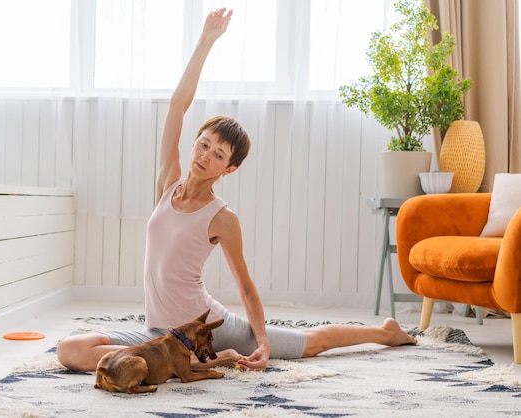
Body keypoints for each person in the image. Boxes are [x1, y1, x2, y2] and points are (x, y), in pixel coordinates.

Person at [57, 8, 417, 373]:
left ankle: (385, 332)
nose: (205, 156)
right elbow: (177, 106)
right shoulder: (168, 183)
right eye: (203, 144)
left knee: (310, 344)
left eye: (218, 154)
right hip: (158, 333)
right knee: (71, 349)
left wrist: (262, 342)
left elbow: (246, 287)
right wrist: (206, 40)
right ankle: (185, 364)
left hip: (209, 330)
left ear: (228, 168)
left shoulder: (221, 217)